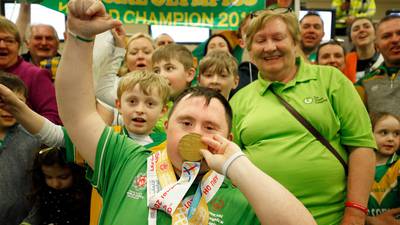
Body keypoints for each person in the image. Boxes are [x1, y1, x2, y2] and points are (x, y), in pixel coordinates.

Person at [54, 0, 319, 224]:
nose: (196, 134)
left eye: (211, 127)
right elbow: (78, 114)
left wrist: (236, 165)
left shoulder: (243, 193)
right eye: (186, 122)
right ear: (167, 125)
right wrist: (80, 36)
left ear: (230, 138)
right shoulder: (127, 160)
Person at [230, 9, 376, 225]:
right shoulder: (238, 101)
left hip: (330, 219)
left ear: (294, 42)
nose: (270, 47)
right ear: (250, 49)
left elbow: (361, 146)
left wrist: (355, 215)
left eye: (278, 38)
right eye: (260, 40)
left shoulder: (330, 80)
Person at [0, 17, 61, 124]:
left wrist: (21, 135)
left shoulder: (35, 74)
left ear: (18, 45)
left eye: (9, 41)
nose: (2, 45)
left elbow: (53, 118)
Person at [0, 72, 41, 225]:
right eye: (2, 102)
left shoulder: (34, 139)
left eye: (17, 103)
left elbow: (42, 189)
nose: (9, 109)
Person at [22, 147, 91, 225]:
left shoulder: (84, 194)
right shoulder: (45, 191)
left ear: (76, 172)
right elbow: (36, 214)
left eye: (63, 177)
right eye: (49, 177)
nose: (56, 184)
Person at [355, 15, 400, 116]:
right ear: (377, 45)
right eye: (386, 36)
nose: (395, 40)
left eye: (399, 33)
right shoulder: (363, 84)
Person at [365, 112, 400, 225]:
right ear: (369, 134)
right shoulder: (358, 165)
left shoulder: (398, 165)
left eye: (397, 134)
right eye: (384, 132)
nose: (391, 139)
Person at [344, 17, 383, 83]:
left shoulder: (386, 60)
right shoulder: (344, 63)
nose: (361, 30)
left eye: (367, 27)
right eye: (356, 29)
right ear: (350, 39)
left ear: (375, 34)